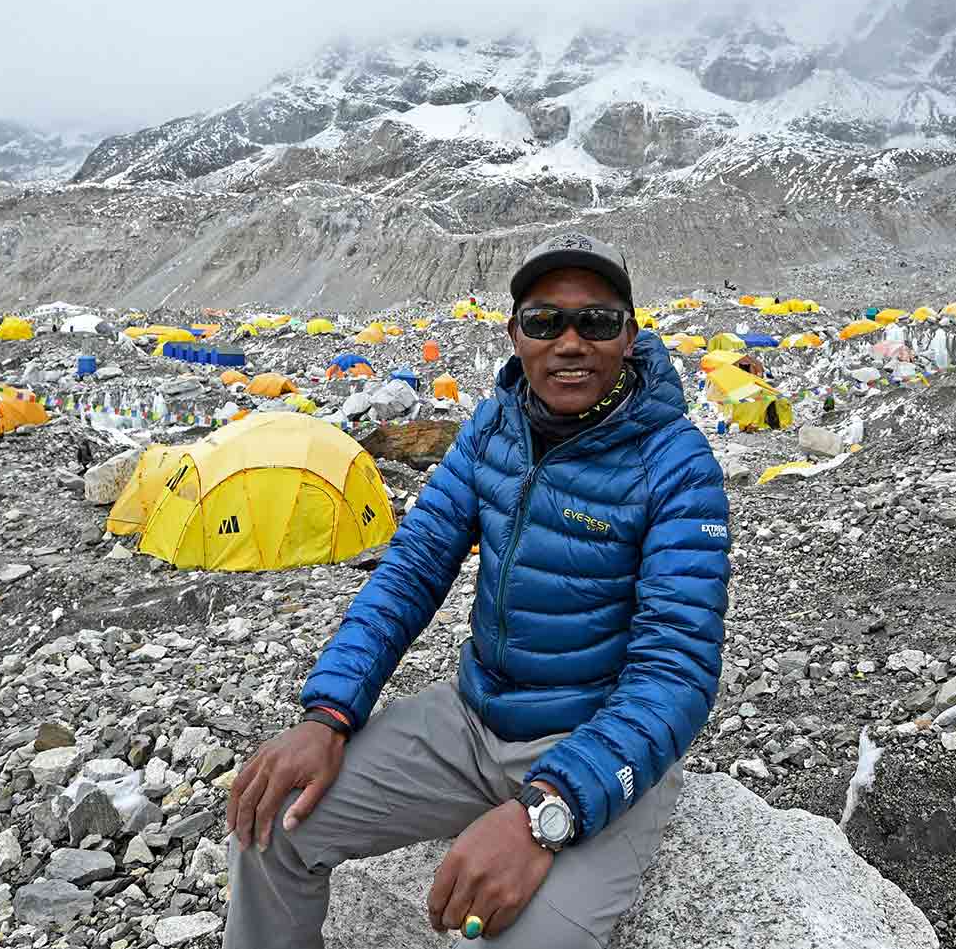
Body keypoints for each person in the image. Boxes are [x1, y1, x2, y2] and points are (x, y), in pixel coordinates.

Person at [226, 233, 730, 949]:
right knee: (270, 822)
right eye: (545, 321)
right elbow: (413, 567)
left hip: (596, 731)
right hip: (474, 719)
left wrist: (543, 812)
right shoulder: (494, 427)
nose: (570, 343)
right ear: (514, 333)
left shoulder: (676, 462)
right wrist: (329, 711)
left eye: (596, 322)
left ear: (630, 335)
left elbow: (676, 671)